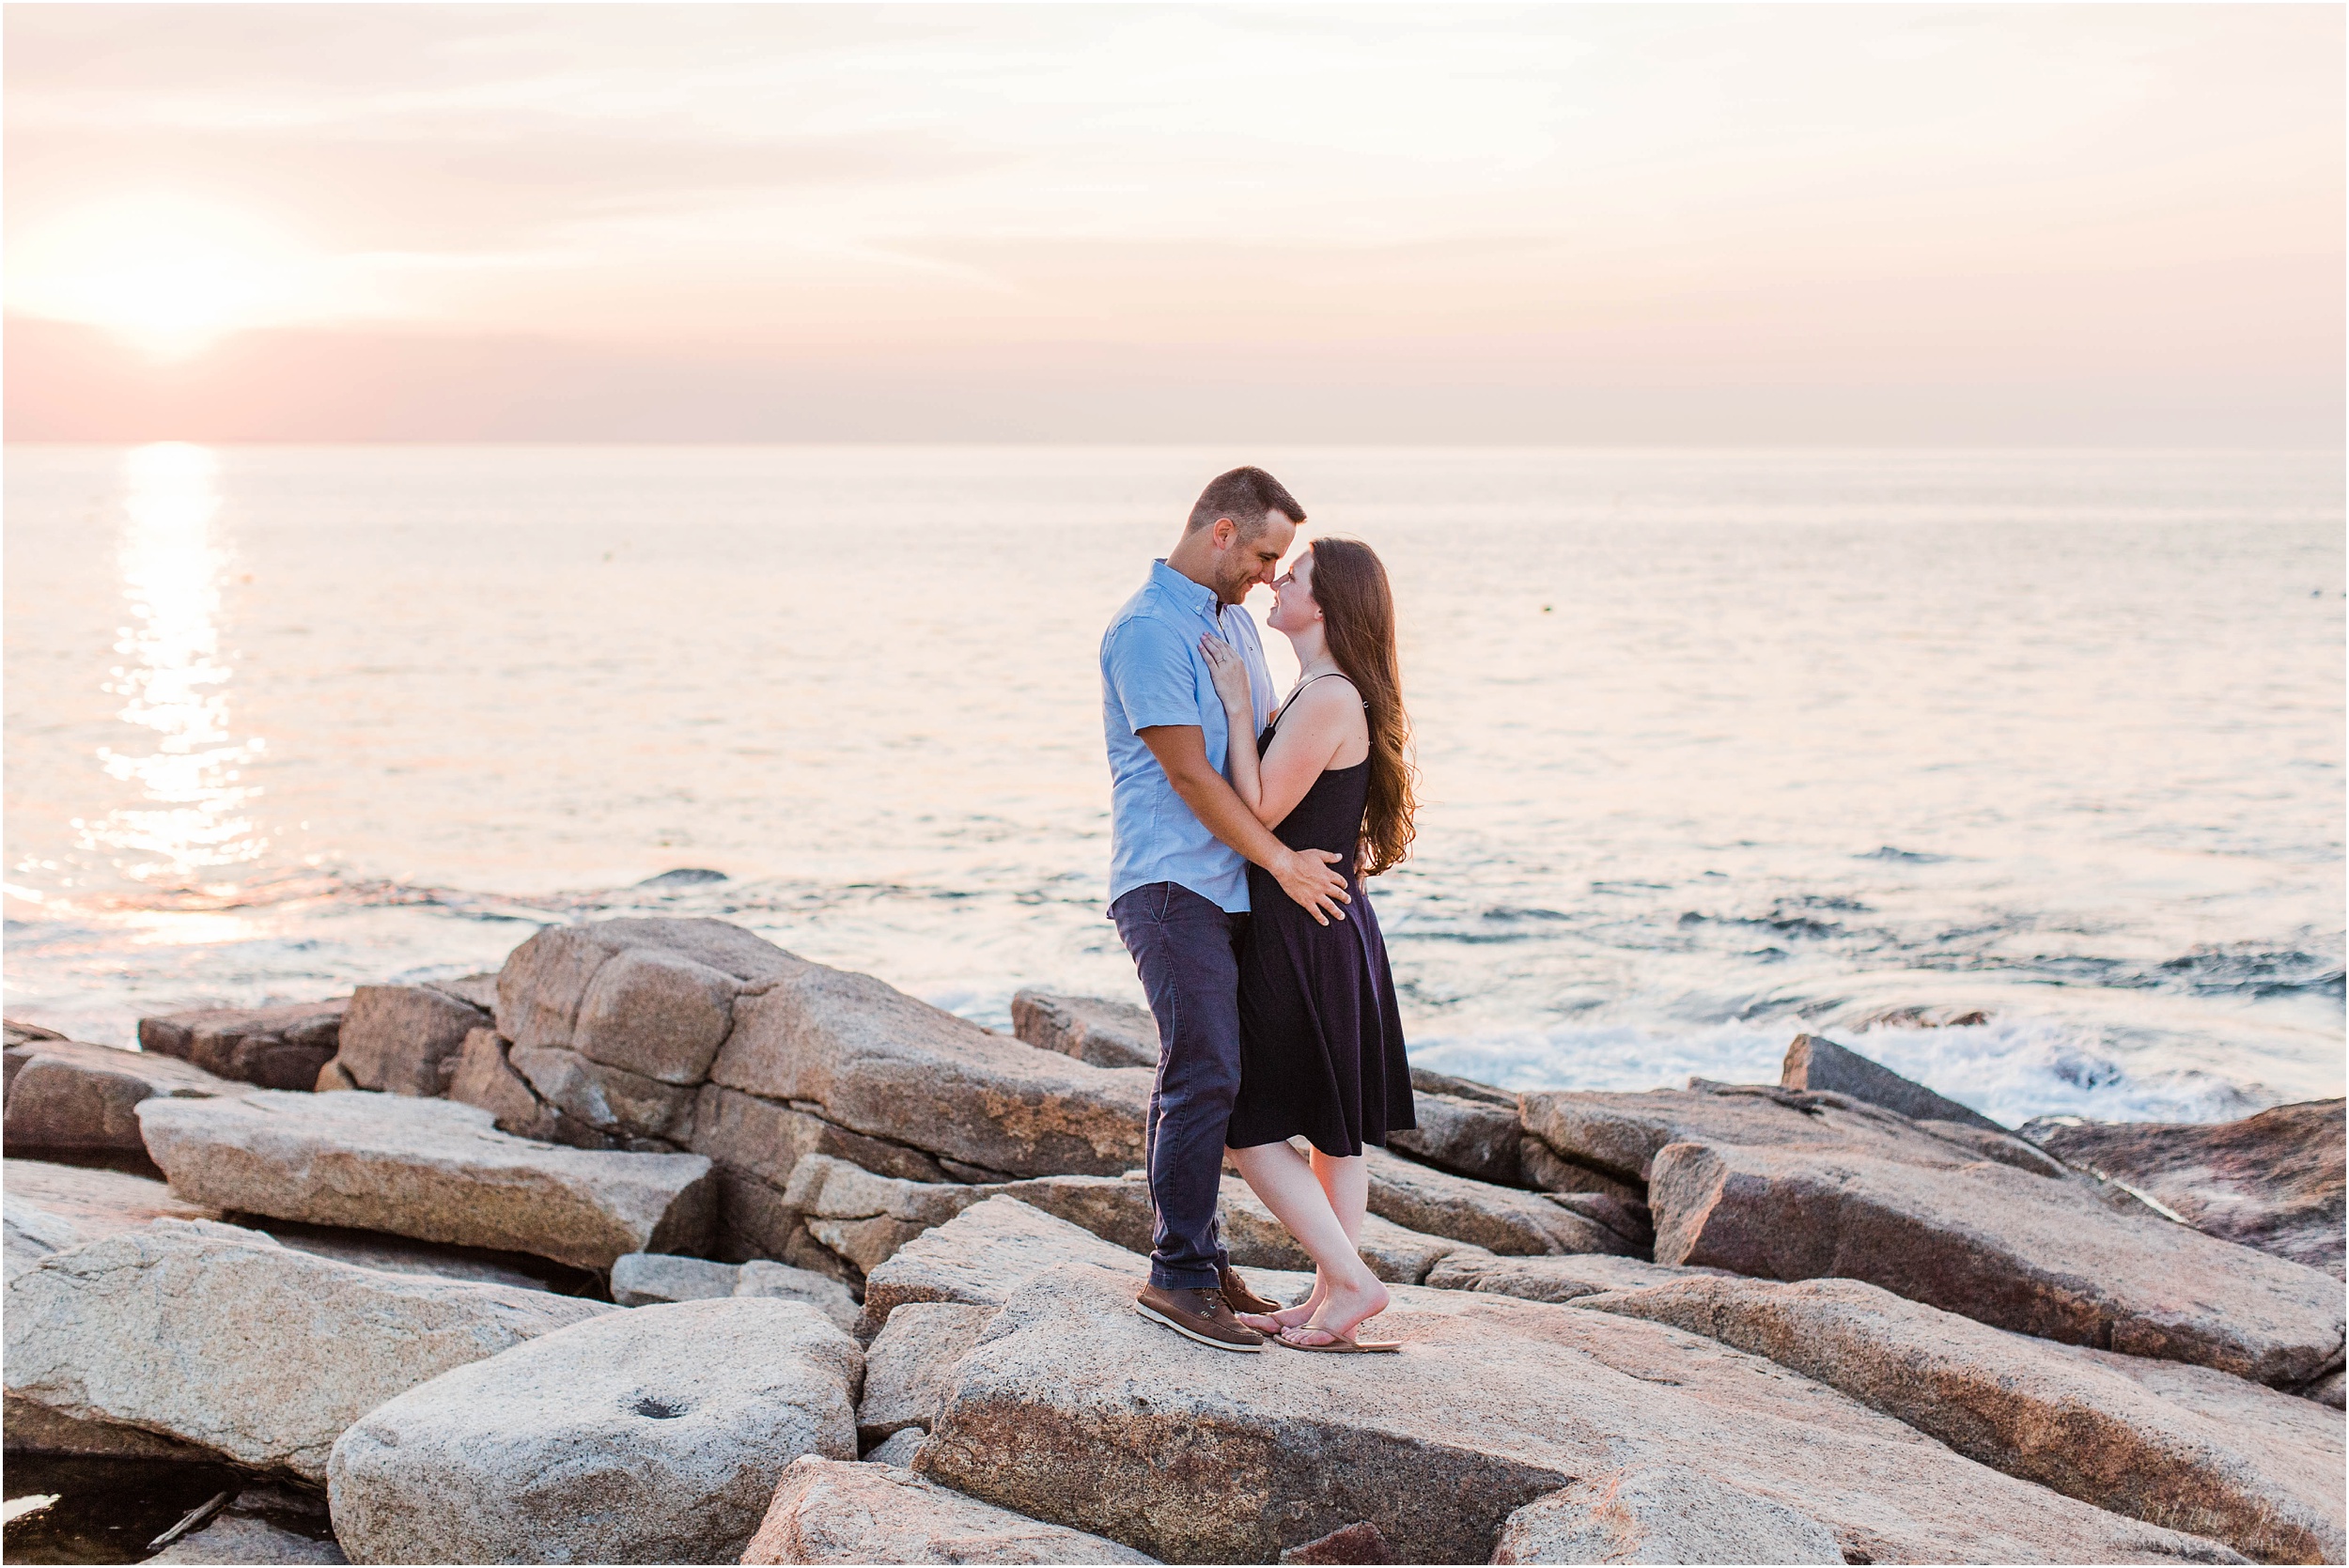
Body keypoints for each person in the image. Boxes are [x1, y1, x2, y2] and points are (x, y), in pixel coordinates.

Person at [1100, 466, 1352, 1353]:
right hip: (1171, 886)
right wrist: (1282, 860)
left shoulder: (1237, 623)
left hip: (1235, 887)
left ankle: (1197, 1259)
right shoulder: (1145, 631)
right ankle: (1176, 1276)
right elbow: (1191, 775)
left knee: (1213, 1073)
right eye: (1261, 553)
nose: (1264, 574)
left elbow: (1264, 748)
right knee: (1203, 1068)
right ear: (1219, 531)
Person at [1200, 538, 1419, 1351]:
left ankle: (1353, 1282)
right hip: (1326, 928)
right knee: (1333, 1131)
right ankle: (1333, 1299)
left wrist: (1229, 703)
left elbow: (1254, 803)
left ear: (1322, 605)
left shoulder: (1328, 696)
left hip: (1303, 931)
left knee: (1249, 1125)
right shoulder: (1324, 691)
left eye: (1291, 575)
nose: (1275, 580)